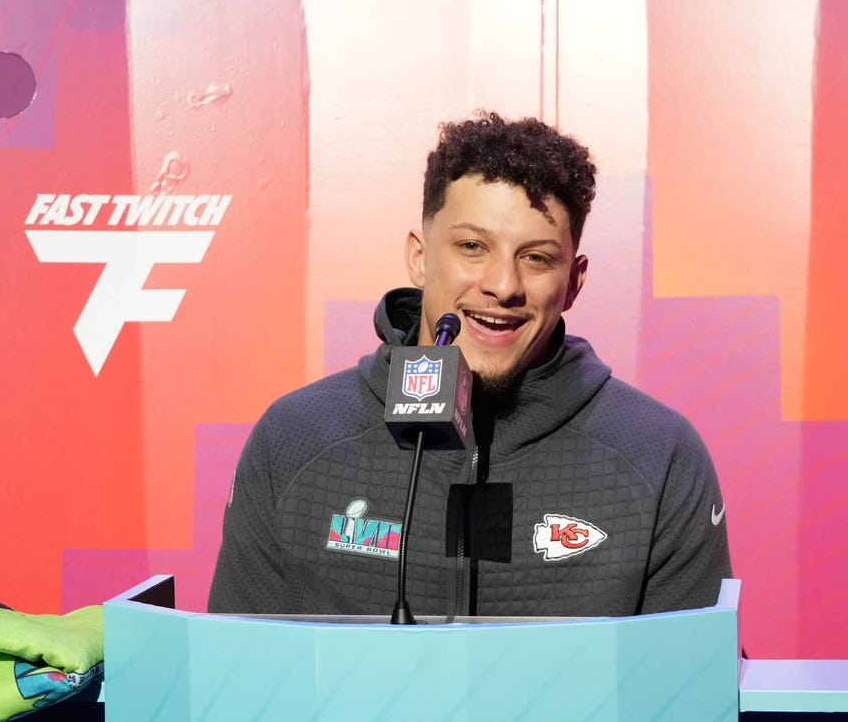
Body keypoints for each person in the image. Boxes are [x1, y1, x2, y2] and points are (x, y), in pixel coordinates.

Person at [208, 111, 731, 618]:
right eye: (472, 246)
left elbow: (687, 692)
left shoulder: (660, 456)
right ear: (419, 256)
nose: (503, 285)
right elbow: (233, 684)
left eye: (537, 258)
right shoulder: (295, 439)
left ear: (573, 281)